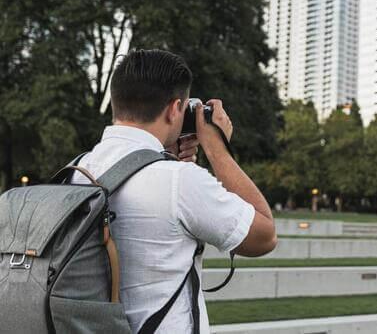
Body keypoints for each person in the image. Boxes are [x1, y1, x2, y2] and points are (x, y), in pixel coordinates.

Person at [71, 49, 276, 332]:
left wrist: (166, 157)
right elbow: (264, 237)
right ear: (174, 109)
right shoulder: (180, 182)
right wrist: (217, 148)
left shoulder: (75, 171)